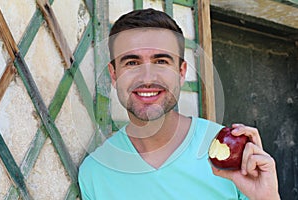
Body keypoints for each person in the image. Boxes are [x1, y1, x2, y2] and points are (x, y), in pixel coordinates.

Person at [78, 8, 280, 200]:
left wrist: (267, 198)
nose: (147, 77)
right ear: (114, 75)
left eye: (161, 61)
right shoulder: (95, 173)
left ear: (181, 72)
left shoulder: (231, 155)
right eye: (132, 63)